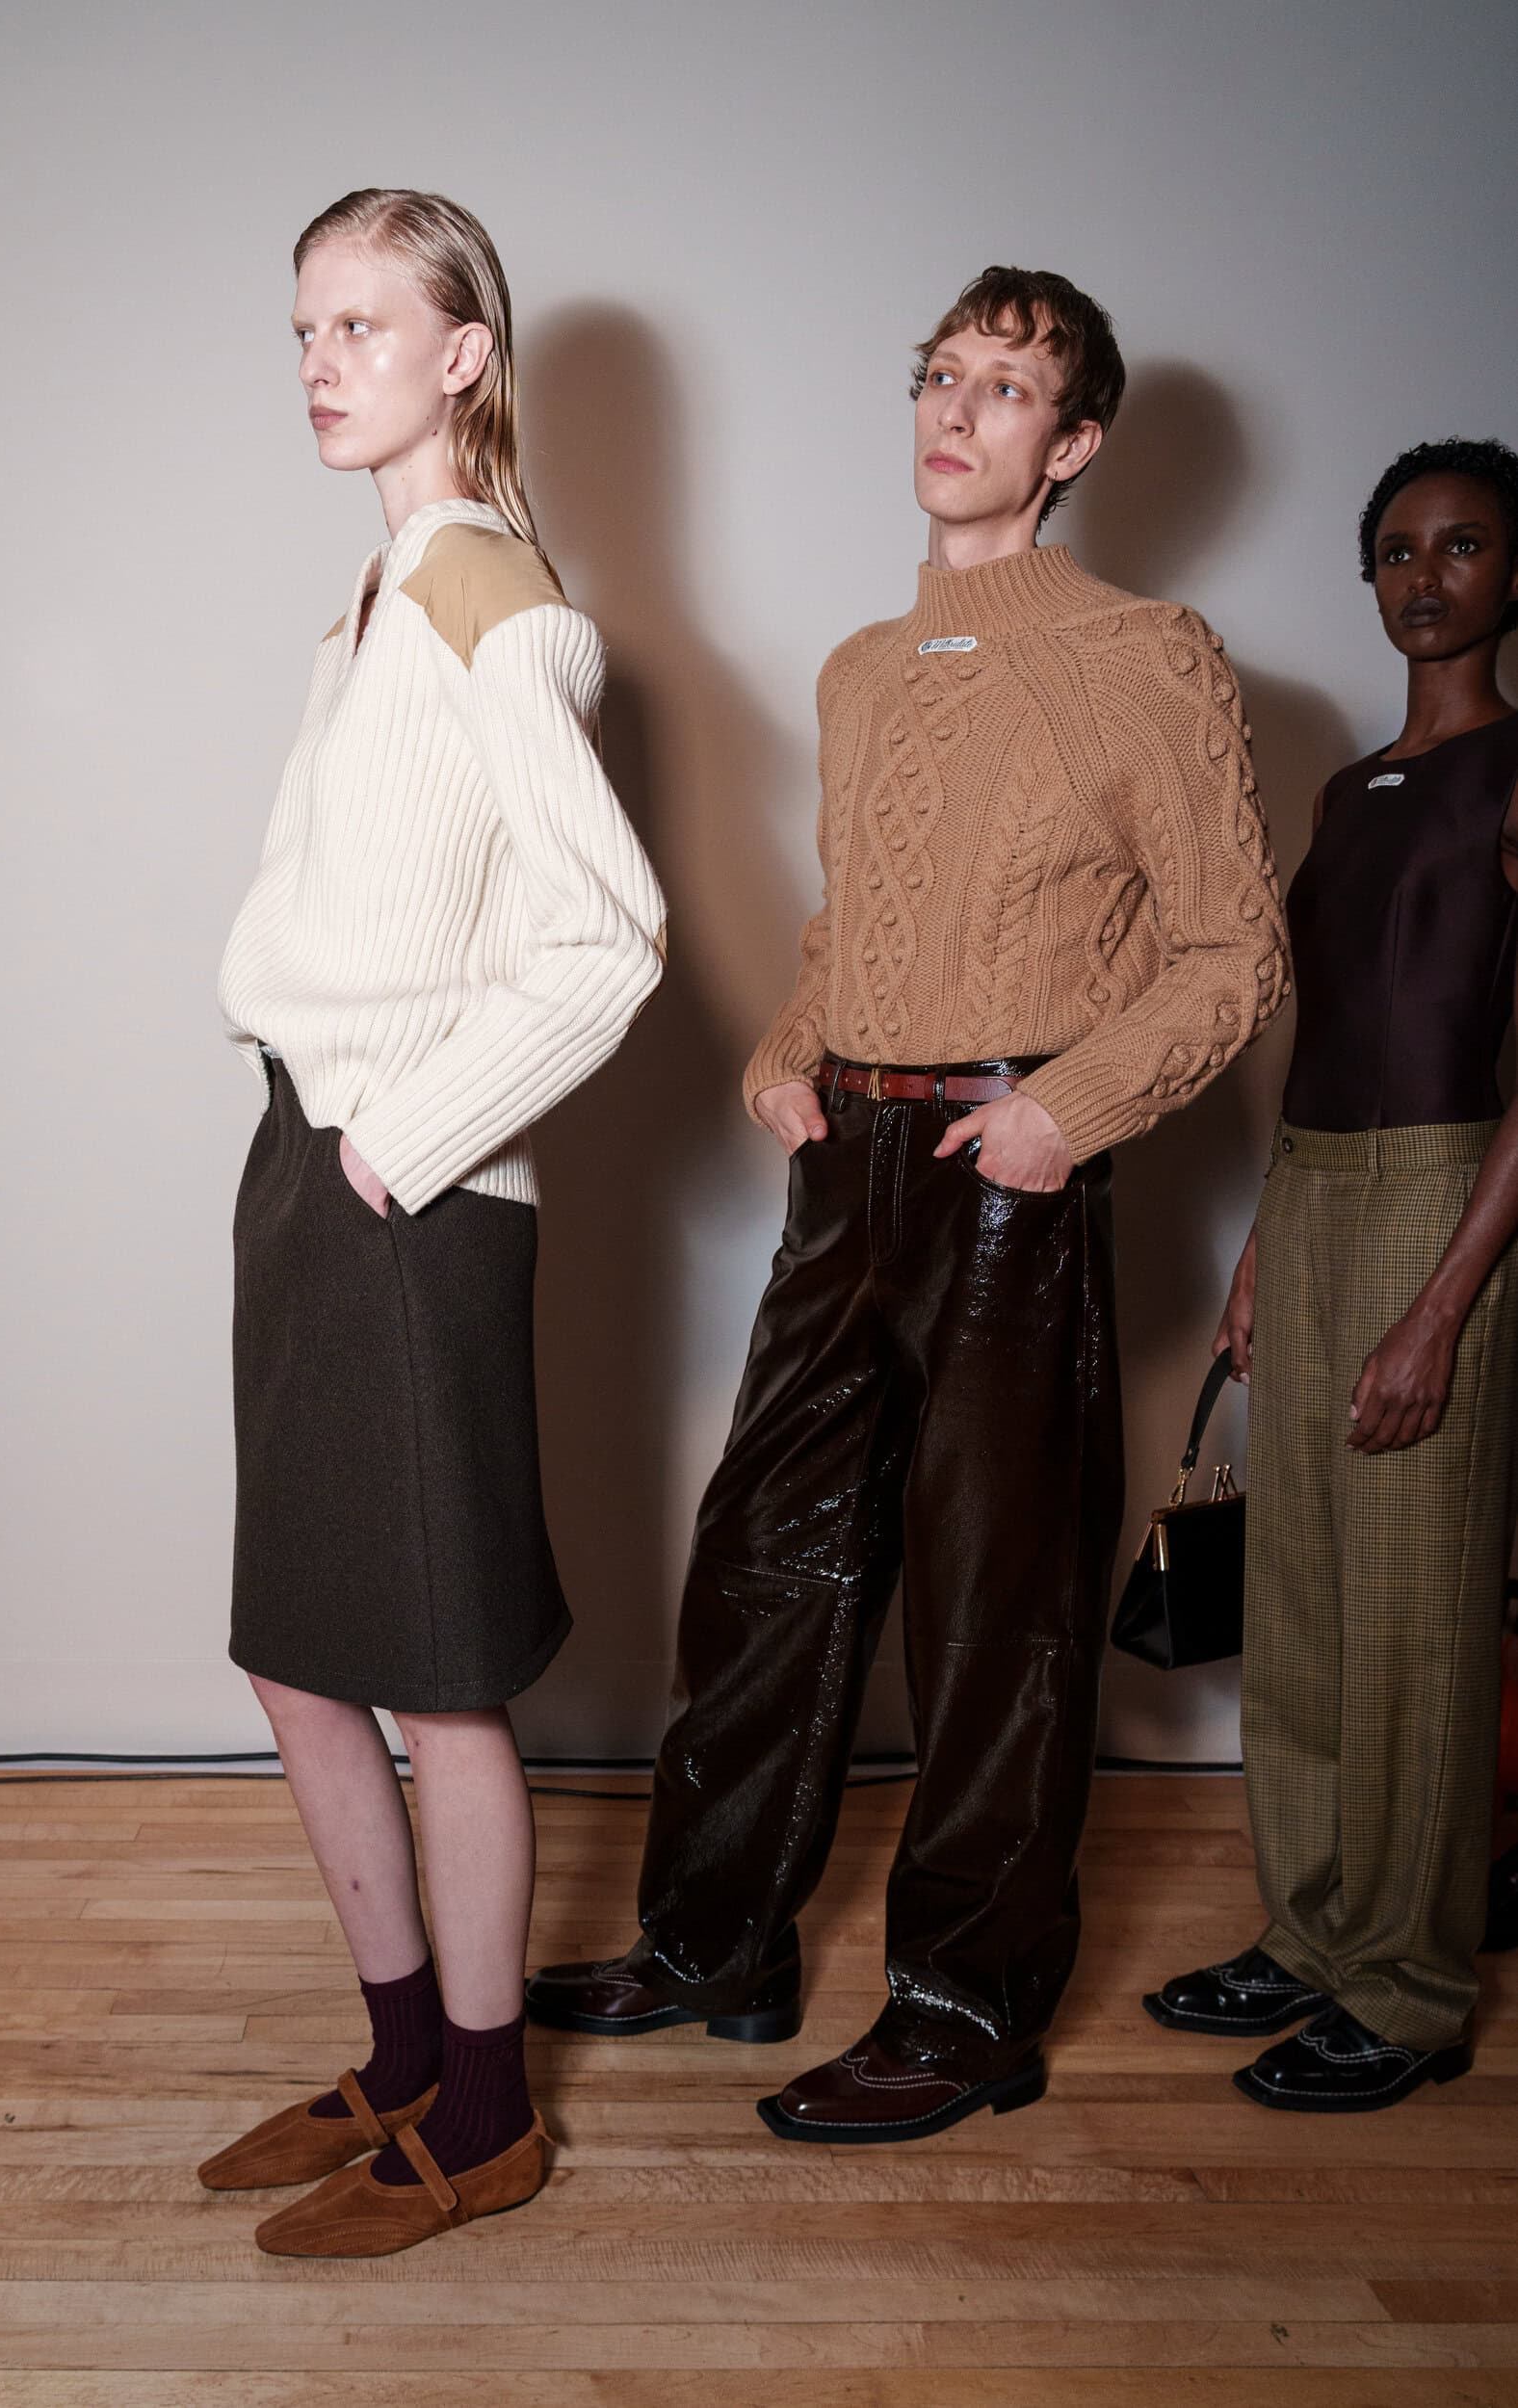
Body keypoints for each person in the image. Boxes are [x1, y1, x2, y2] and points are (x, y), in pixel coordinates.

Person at [528, 266, 1288, 2142]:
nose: (956, 410)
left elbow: (1230, 951)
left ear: (1073, 442)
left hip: (1006, 1173)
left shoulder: (1145, 653)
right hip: (844, 1164)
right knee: (763, 1566)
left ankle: (963, 2011)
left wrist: (1064, 1116)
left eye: (1005, 387)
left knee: (990, 1603)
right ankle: (715, 1941)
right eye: (939, 375)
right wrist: (783, 1051)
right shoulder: (862, 668)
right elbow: (851, 922)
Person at [198, 188, 666, 2253]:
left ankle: (484, 2113)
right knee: (303, 1660)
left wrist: (409, 1138)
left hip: (409, 1185)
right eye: (303, 328)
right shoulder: (375, 599)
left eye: (362, 325)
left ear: (462, 352)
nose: (319, 362)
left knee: (435, 1674)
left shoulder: (490, 594)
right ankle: (402, 2056)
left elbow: (609, 937)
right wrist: (319, 1138)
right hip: (308, 1162)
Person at [1147, 438, 1518, 2111]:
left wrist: (1439, 1307)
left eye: (1461, 546)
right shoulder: (1345, 793)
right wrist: (1257, 1247)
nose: (1422, 577)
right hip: (1307, 1195)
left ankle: (1410, 1989)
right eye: (1395, 551)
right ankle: (1306, 1936)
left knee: (1413, 1621)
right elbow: (1323, 1040)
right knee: (1295, 1600)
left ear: (1511, 573)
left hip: (1449, 1192)